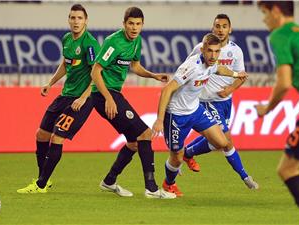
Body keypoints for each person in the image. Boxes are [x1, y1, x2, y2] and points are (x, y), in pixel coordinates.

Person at [90, 6, 175, 199]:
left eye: (138, 24)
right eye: (131, 23)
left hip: (113, 94)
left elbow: (135, 66)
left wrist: (153, 75)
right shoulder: (114, 42)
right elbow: (95, 71)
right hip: (104, 95)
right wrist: (109, 99)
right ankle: (152, 188)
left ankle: (109, 181)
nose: (134, 28)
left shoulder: (137, 42)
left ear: (142, 25)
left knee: (133, 142)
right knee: (144, 133)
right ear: (124, 24)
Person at [17, 4, 100, 193]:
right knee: (41, 134)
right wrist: (51, 82)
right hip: (65, 95)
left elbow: (97, 73)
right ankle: (43, 178)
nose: (76, 21)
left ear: (86, 20)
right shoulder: (66, 39)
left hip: (82, 99)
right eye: (72, 18)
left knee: (57, 137)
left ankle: (40, 185)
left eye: (79, 18)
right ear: (69, 20)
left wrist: (83, 97)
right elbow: (65, 63)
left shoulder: (90, 44)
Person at [152, 33, 248, 197]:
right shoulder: (191, 67)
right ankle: (169, 184)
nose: (213, 55)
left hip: (195, 111)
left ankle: (189, 154)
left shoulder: (213, 62)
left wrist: (235, 75)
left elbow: (218, 68)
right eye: (209, 51)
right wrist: (160, 120)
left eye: (217, 52)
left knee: (221, 141)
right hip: (176, 115)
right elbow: (167, 89)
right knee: (176, 157)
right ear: (202, 49)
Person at [182, 14, 259, 190]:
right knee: (225, 139)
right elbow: (186, 68)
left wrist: (229, 90)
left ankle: (187, 153)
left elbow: (241, 76)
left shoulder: (236, 51)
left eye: (224, 26)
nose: (220, 29)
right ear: (213, 28)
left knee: (217, 140)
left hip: (225, 102)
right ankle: (245, 176)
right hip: (204, 99)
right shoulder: (201, 48)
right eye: (217, 26)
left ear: (230, 29)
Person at [255, 1, 299, 220]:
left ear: (276, 11)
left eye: (264, 13)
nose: (264, 19)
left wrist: (267, 108)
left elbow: (284, 83)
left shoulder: (280, 35)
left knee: (287, 170)